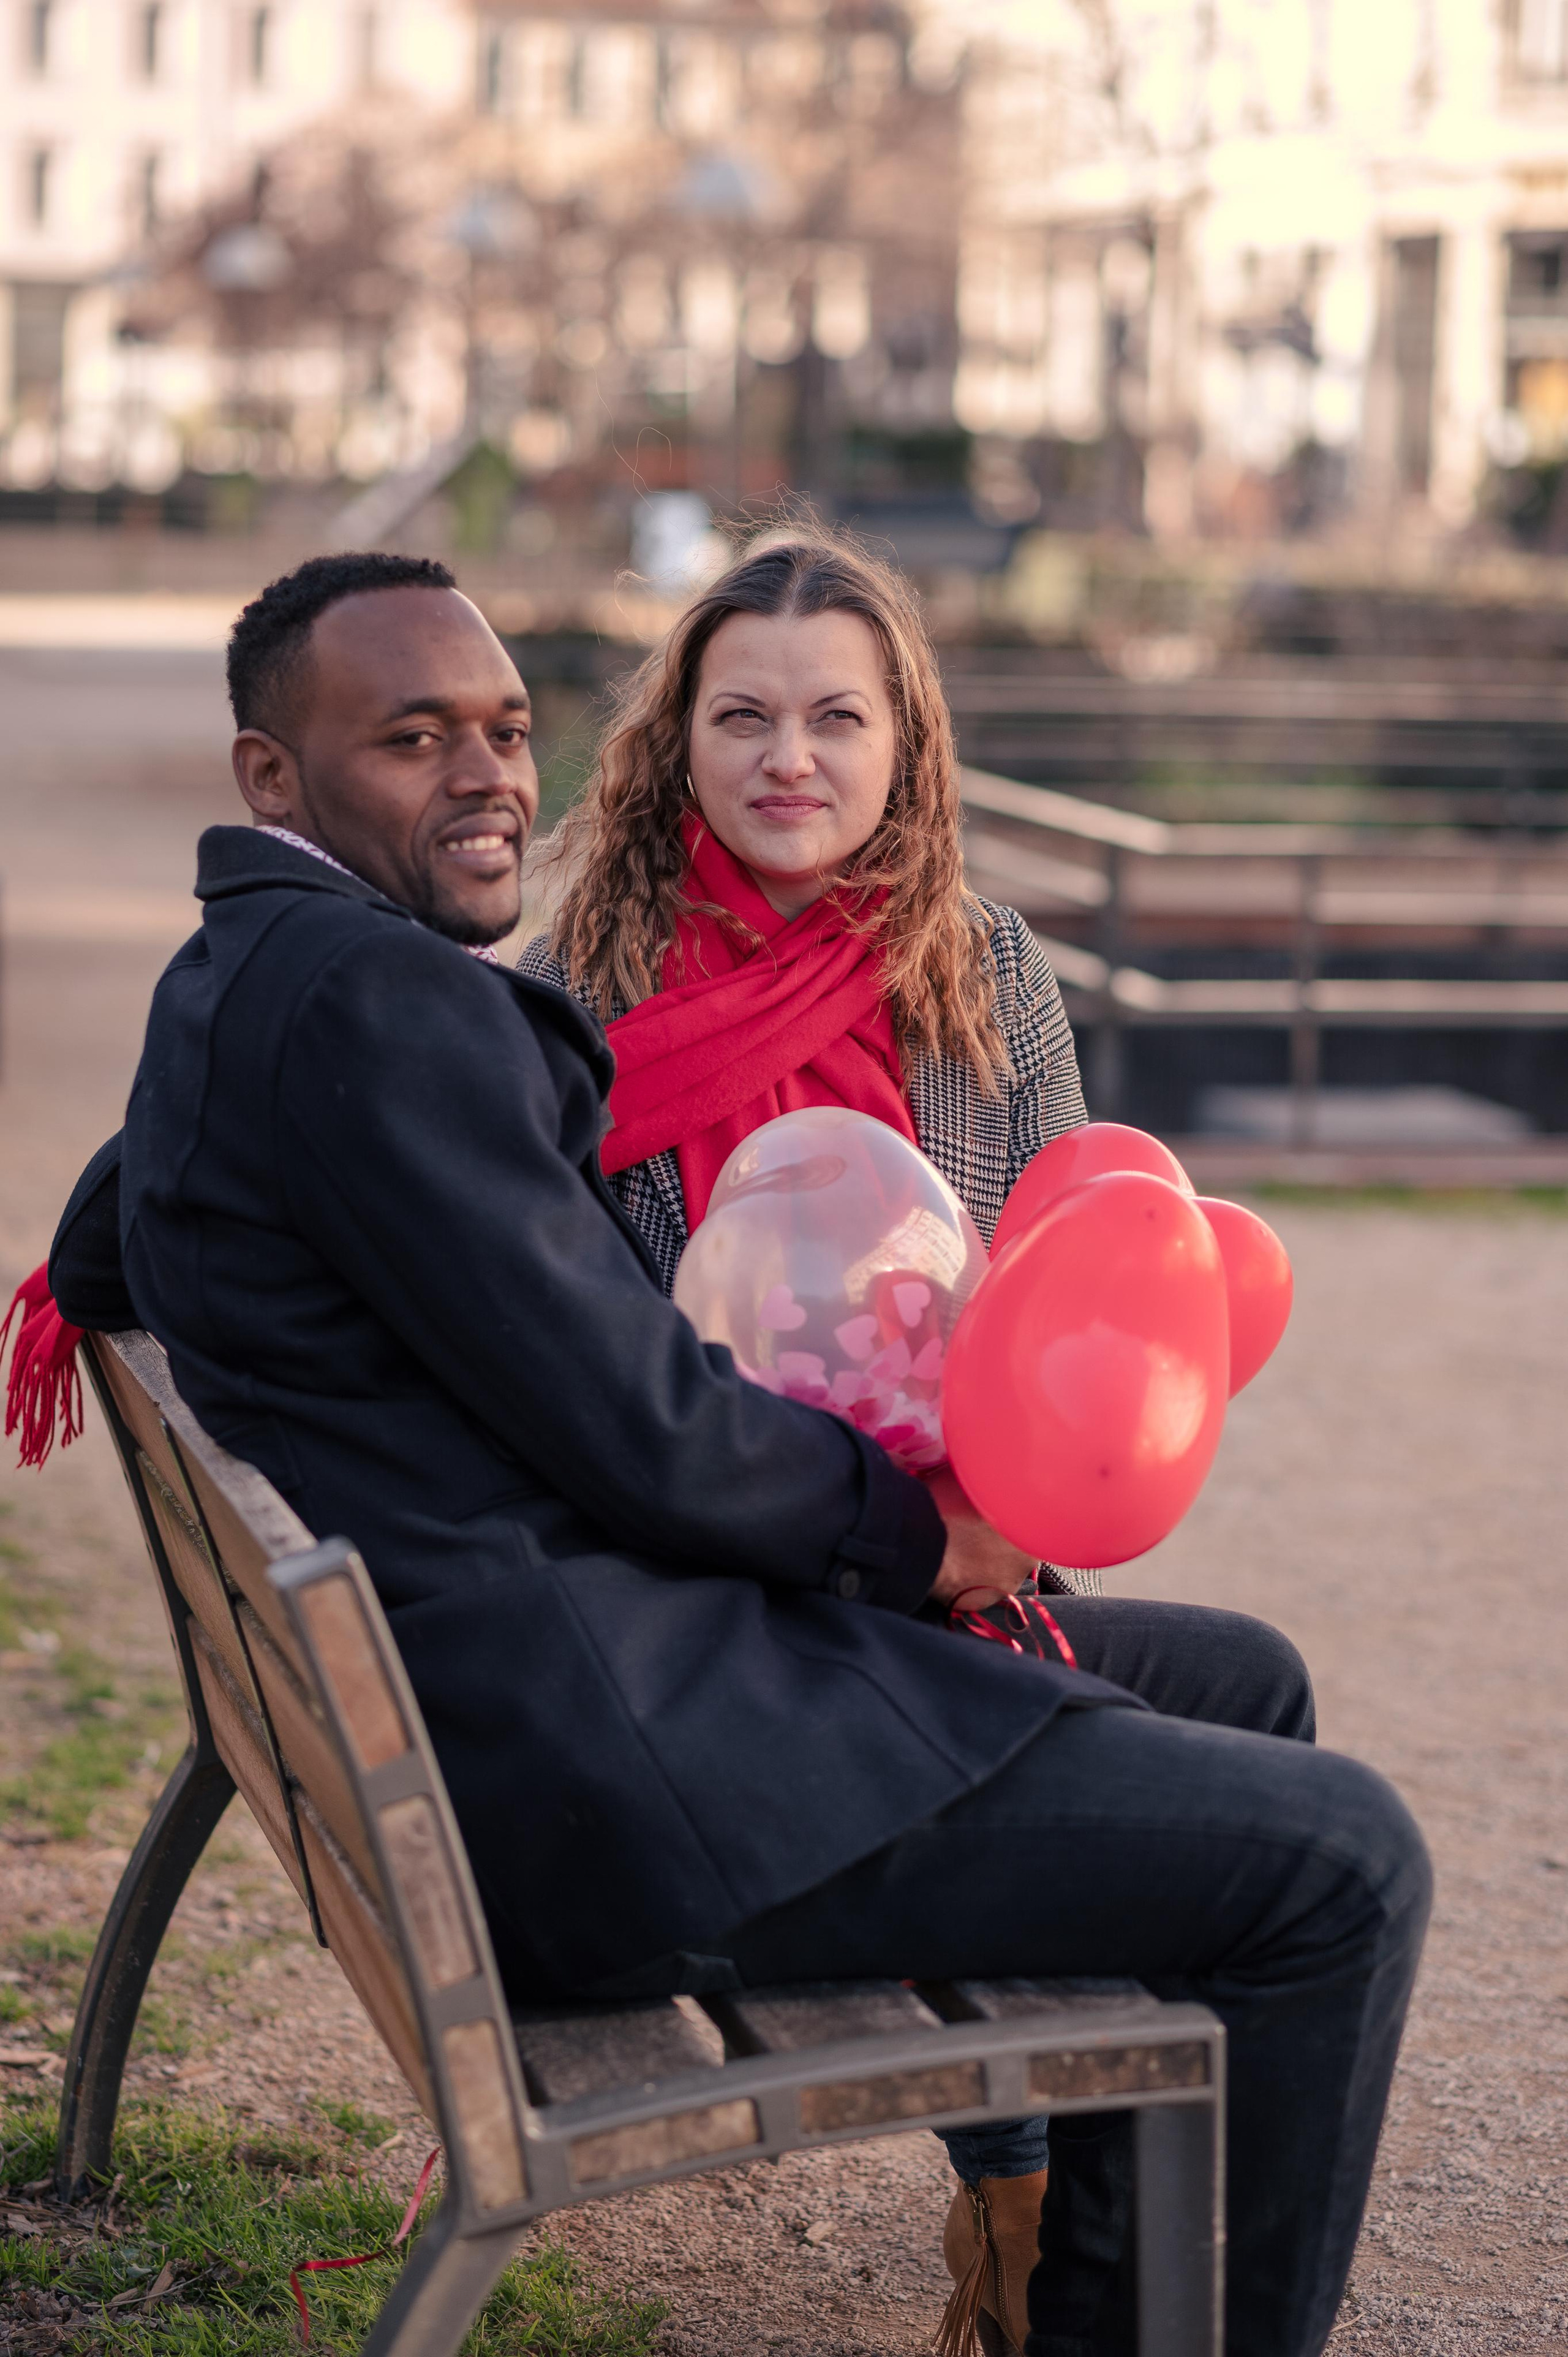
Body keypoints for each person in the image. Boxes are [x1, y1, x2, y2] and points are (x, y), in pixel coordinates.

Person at [35, 552, 1429, 2357]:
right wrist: (923, 1543)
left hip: (576, 1679)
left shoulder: (245, 976)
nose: (480, 776)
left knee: (1243, 1681)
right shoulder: (394, 1008)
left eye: (502, 729)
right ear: (274, 779)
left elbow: (97, 1252)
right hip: (625, 1761)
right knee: (1350, 1865)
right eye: (412, 739)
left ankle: (1074, 2291)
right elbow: (651, 1432)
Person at [518, 529, 1096, 2321]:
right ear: (676, 740)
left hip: (949, 1563)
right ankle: (1027, 2210)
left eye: (838, 717)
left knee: (1129, 1749)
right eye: (746, 714)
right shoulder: (574, 995)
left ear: (904, 744)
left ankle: (1030, 2241)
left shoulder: (986, 976)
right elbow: (562, 1359)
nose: (792, 757)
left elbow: (1070, 1297)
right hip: (701, 1585)